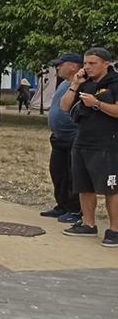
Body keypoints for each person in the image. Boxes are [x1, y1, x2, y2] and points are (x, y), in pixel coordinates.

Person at [60, 47, 118, 247]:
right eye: (85, 63)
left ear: (106, 64)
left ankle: (115, 230)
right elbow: (64, 106)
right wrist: (75, 84)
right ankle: (88, 224)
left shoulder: (115, 83)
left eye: (92, 63)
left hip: (108, 143)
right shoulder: (84, 83)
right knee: (84, 185)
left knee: (111, 188)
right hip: (83, 140)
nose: (87, 67)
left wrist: (96, 104)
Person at [40, 53, 82, 223]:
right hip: (59, 137)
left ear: (73, 66)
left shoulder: (82, 84)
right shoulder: (64, 83)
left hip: (74, 136)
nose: (57, 67)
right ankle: (62, 205)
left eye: (61, 64)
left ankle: (75, 209)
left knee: (73, 174)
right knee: (58, 172)